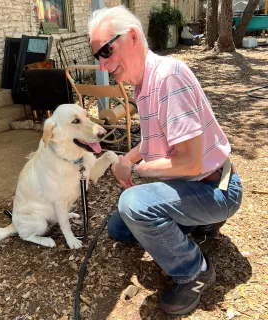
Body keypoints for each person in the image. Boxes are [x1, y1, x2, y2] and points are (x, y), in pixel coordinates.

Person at [88, 5, 243, 315]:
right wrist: (125, 159)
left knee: (133, 204)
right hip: (194, 186)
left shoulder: (168, 77)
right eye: (98, 57)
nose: (103, 65)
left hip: (217, 188)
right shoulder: (145, 84)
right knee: (120, 227)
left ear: (131, 36)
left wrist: (133, 169)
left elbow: (190, 163)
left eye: (106, 50)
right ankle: (198, 225)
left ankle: (194, 271)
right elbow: (153, 138)